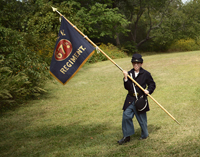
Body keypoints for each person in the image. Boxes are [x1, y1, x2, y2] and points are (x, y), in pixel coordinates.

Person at [118, 53, 156, 145]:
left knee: (142, 119)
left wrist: (148, 90)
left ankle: (144, 135)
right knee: (126, 116)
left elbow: (152, 84)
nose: (136, 65)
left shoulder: (146, 74)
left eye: (138, 63)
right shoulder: (129, 73)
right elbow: (127, 87)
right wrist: (125, 77)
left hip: (141, 99)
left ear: (141, 64)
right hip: (130, 98)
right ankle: (127, 136)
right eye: (134, 63)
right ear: (132, 63)